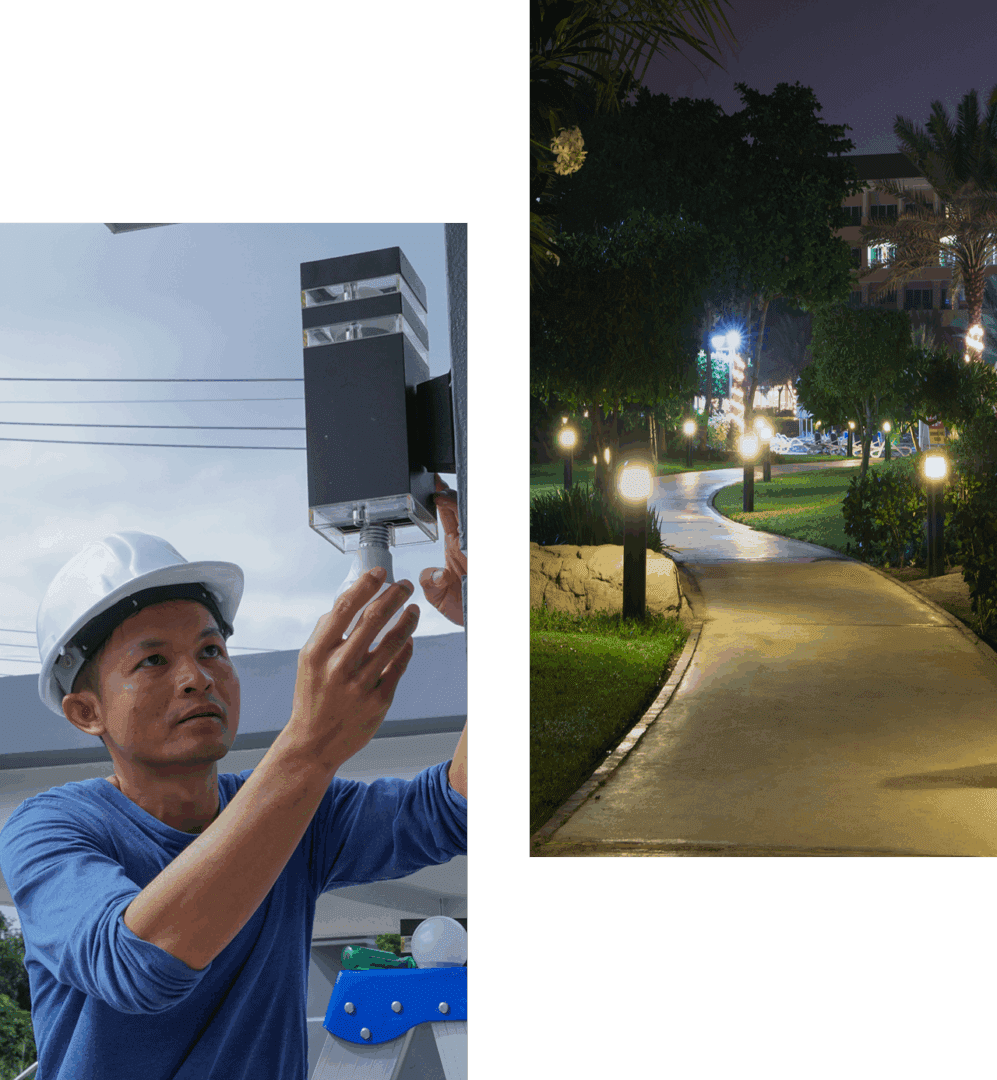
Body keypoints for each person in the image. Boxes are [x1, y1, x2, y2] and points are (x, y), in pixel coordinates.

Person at [0, 475, 467, 1080]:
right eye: (153, 660)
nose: (196, 676)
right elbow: (142, 963)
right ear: (86, 712)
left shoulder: (298, 810)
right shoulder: (50, 829)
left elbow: (453, 808)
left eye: (212, 650)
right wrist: (307, 750)